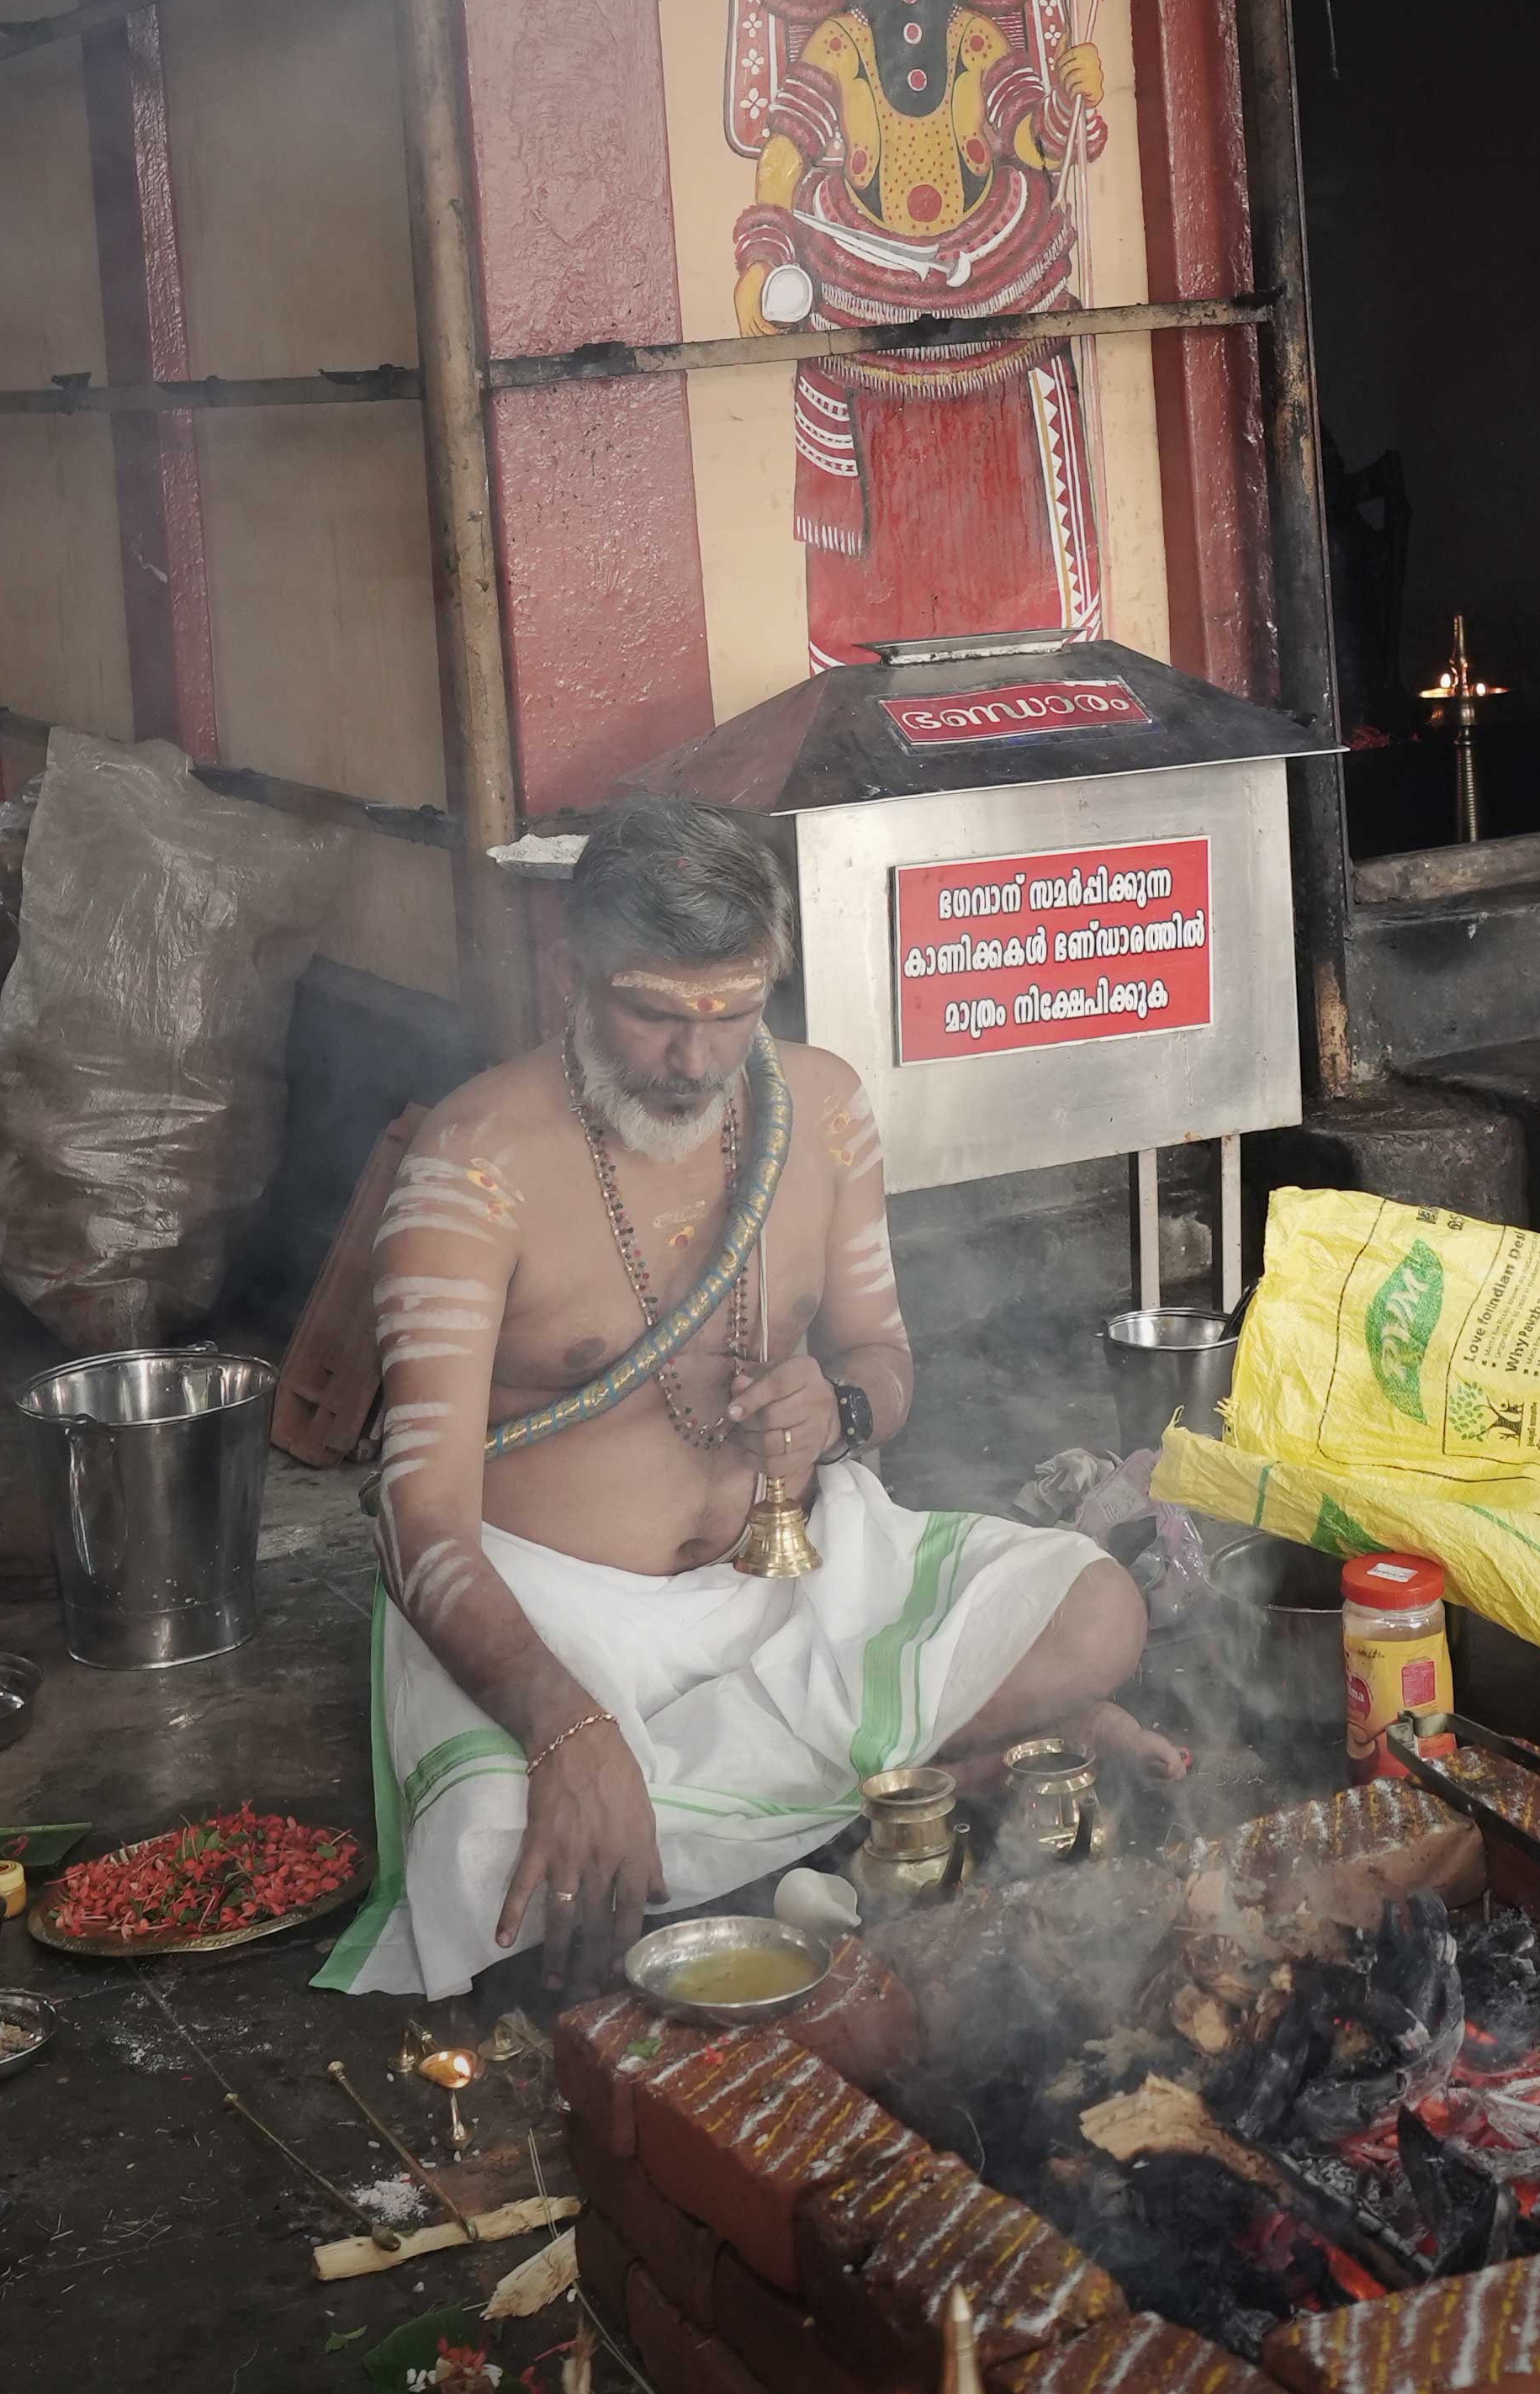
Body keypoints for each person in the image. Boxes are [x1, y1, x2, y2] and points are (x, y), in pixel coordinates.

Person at [316, 795, 1171, 1999]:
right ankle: (941, 1769)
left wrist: (844, 1413)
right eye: (656, 1013)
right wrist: (563, 1723)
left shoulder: (819, 1111)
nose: (698, 1059)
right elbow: (421, 1519)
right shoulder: (474, 1167)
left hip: (795, 1581)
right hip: (564, 1624)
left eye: (734, 1012)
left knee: (1096, 1615)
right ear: (578, 966)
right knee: (496, 1865)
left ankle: (782, 1811)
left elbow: (885, 1358)